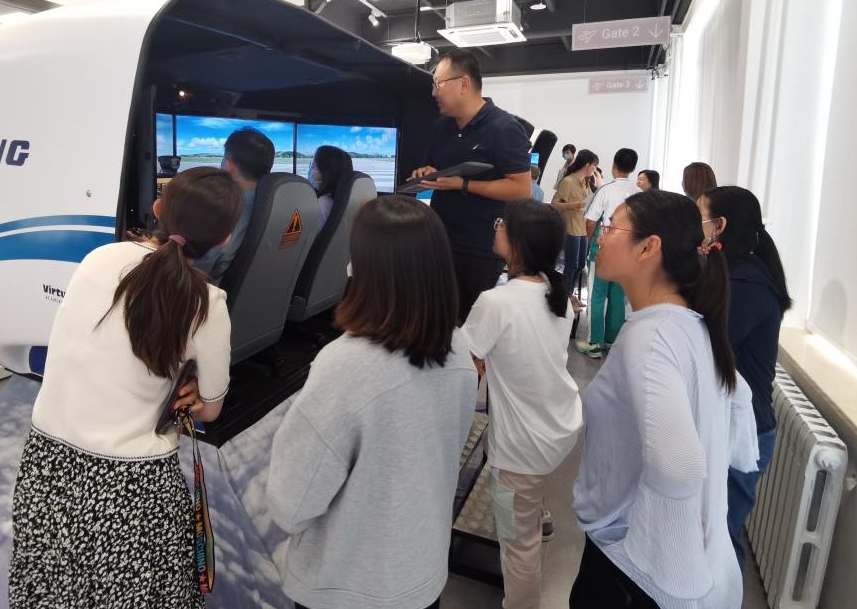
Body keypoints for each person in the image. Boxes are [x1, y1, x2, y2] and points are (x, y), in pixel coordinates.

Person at [9, 167, 243, 607]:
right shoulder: (208, 303)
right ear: (226, 238)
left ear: (158, 209)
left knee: (51, 587)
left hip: (47, 464)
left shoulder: (99, 258)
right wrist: (192, 386)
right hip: (132, 485)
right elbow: (209, 410)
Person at [266, 195, 477, 609]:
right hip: (422, 577)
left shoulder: (346, 365)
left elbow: (291, 506)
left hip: (346, 590)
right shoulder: (458, 350)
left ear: (368, 268)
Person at [571, 190, 759, 609]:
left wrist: (664, 535)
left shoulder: (652, 339)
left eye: (611, 227)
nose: (600, 235)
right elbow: (738, 405)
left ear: (648, 247)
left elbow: (678, 468)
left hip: (633, 568)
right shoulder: (688, 324)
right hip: (650, 564)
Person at [462, 199, 583, 609]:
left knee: (518, 546)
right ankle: (538, 512)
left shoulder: (496, 302)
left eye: (501, 223)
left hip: (522, 449)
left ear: (517, 241)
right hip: (560, 427)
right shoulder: (555, 291)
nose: (495, 227)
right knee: (529, 497)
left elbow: (466, 364)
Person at [700, 186, 793, 570]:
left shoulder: (746, 284)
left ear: (720, 226)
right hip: (732, 422)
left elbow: (706, 347)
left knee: (720, 541)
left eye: (701, 218)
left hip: (744, 430)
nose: (697, 228)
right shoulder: (735, 272)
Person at [408, 49, 532, 322]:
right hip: (439, 241)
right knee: (434, 319)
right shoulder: (441, 126)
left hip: (480, 248)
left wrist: (464, 185)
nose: (434, 93)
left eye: (438, 84)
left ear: (464, 84)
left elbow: (521, 188)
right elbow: (434, 166)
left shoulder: (504, 128)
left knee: (466, 325)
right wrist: (428, 172)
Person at [576, 148, 639, 358]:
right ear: (633, 168)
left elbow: (590, 221)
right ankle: (612, 341)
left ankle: (595, 342)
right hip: (628, 253)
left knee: (597, 295)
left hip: (603, 250)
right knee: (618, 296)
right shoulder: (639, 194)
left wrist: (591, 243)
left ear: (614, 166)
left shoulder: (606, 190)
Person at [192, 127, 275, 284]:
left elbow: (199, 271)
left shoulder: (228, 211)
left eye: (224, 158)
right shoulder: (272, 204)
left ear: (229, 165)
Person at [552, 149, 599, 302]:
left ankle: (569, 294)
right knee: (571, 265)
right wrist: (572, 205)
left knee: (580, 265)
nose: (594, 169)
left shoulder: (586, 182)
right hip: (571, 228)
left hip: (583, 228)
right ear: (587, 165)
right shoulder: (568, 181)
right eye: (594, 166)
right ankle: (565, 298)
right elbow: (554, 204)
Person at [311, 145, 354, 228]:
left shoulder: (323, 203)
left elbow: (310, 234)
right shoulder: (345, 197)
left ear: (325, 170)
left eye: (314, 165)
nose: (312, 168)